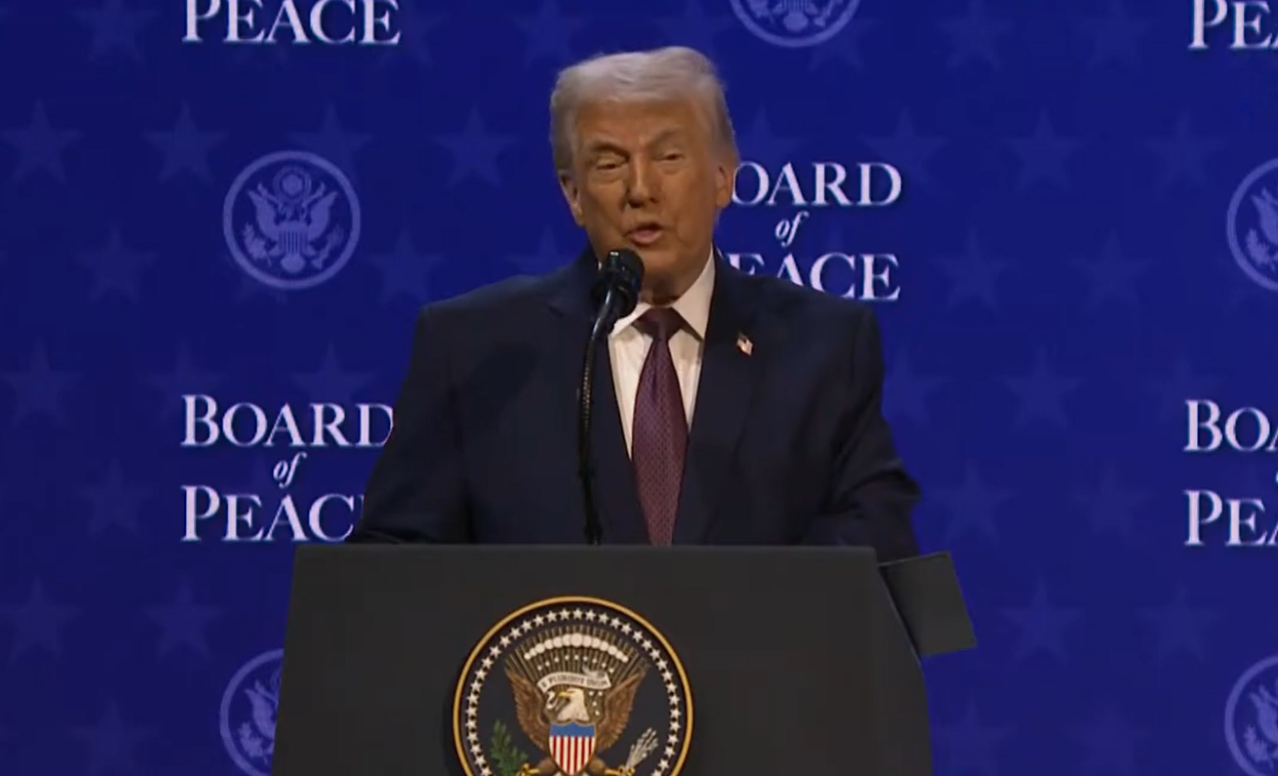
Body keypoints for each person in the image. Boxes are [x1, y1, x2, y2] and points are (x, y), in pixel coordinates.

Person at [349, 46, 921, 561]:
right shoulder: (478, 348)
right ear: (574, 195)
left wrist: (740, 616)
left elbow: (877, 539)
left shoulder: (822, 346)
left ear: (723, 178)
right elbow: (391, 561)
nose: (641, 190)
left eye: (669, 157)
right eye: (609, 164)